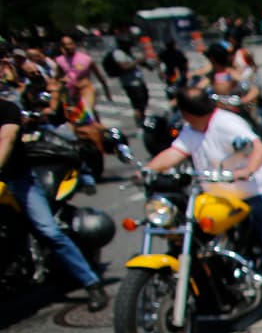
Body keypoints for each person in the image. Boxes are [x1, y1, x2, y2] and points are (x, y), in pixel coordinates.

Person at [144, 87, 262, 314]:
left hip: (255, 189)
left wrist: (248, 169)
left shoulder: (226, 123)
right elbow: (174, 153)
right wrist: (147, 169)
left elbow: (257, 147)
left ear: (187, 112)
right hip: (219, 193)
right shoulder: (192, 130)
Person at [0, 95, 108, 310]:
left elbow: (7, 139)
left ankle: (92, 283)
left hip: (18, 181)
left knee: (49, 231)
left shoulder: (7, 109)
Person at [55, 35, 112, 117]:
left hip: (85, 89)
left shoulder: (86, 59)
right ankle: (96, 125)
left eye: (70, 44)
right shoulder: (60, 60)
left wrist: (107, 91)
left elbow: (100, 76)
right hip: (70, 92)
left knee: (86, 112)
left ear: (74, 44)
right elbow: (57, 78)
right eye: (65, 45)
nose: (68, 47)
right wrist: (61, 81)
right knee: (75, 117)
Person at [105, 35, 150, 126]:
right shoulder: (119, 53)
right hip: (130, 83)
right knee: (137, 105)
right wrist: (137, 61)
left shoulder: (128, 52)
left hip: (138, 81)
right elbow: (124, 67)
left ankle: (142, 119)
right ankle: (140, 124)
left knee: (143, 101)